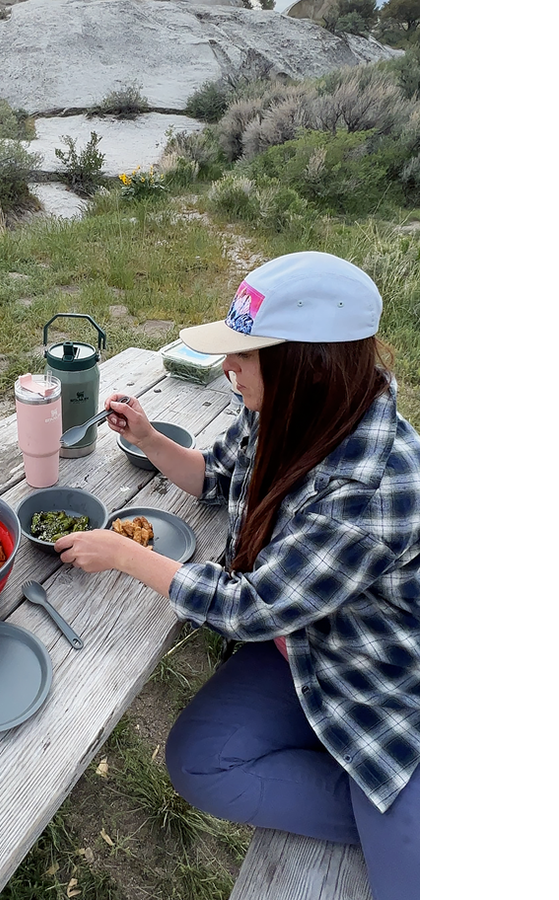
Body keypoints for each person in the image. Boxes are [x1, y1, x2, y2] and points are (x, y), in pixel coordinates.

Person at [54, 251, 419, 900]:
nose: (228, 368)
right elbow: (217, 477)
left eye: (243, 356)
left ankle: (389, 803)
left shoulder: (378, 485)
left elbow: (251, 609)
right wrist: (147, 438)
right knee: (197, 762)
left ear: (309, 367)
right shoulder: (285, 409)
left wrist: (123, 553)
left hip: (382, 689)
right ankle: (373, 806)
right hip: (302, 650)